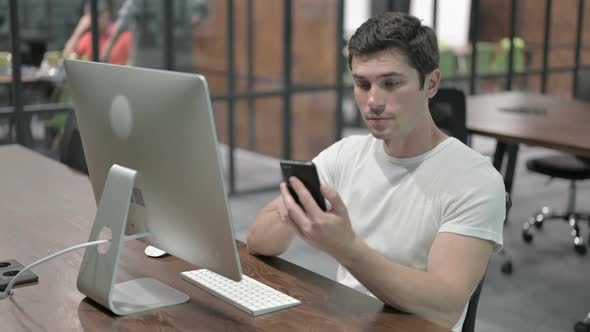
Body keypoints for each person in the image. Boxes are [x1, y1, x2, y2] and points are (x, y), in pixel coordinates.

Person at [246, 12, 505, 331]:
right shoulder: (344, 154)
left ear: (432, 83)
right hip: (347, 319)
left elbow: (443, 307)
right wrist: (293, 211)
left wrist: (346, 247)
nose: (373, 101)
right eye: (362, 84)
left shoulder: (475, 180)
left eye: (391, 83)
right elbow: (258, 242)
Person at [63, 0, 132, 65]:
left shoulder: (123, 37)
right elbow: (67, 57)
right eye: (92, 15)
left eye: (98, 15)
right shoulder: (88, 38)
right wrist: (79, 30)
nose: (95, 19)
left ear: (108, 13)